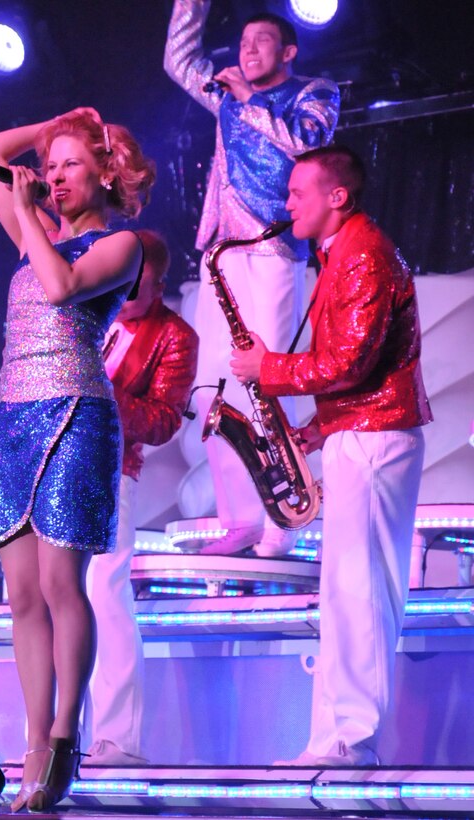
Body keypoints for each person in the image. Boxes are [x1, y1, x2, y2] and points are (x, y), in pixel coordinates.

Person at [0, 109, 155, 810]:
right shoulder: (35, 233)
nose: (53, 177)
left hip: (75, 416)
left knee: (58, 584)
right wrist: (59, 124)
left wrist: (29, 215)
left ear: (107, 173)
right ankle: (30, 742)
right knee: (19, 595)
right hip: (14, 419)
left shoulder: (124, 244)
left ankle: (63, 735)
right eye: (51, 168)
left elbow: (59, 288)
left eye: (72, 164)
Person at [230, 145, 432, 765]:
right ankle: (333, 740)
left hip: (374, 437)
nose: (286, 204)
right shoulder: (342, 253)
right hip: (358, 431)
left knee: (360, 590)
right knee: (345, 592)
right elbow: (355, 367)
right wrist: (316, 429)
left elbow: (348, 363)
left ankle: (353, 739)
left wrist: (268, 368)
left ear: (336, 196)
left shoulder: (363, 255)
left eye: (297, 193)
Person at [164, 1, 340, 557]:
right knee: (214, 383)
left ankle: (284, 517)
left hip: (273, 246)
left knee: (266, 377)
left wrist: (250, 99)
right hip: (221, 250)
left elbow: (309, 148)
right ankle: (239, 517)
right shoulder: (226, 91)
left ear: (288, 50)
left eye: (262, 41)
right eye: (242, 41)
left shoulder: (314, 91)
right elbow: (177, 60)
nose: (247, 50)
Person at [86, 229, 198, 767]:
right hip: (59, 466)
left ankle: (118, 739)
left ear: (160, 282)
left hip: (112, 468)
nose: (126, 292)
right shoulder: (88, 309)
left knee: (104, 593)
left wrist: (99, 397)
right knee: (58, 601)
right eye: (120, 281)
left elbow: (164, 423)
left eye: (139, 283)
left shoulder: (176, 336)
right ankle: (61, 733)